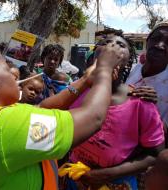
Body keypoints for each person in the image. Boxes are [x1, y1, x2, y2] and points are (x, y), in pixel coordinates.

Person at [0, 42, 124, 189]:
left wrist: (84, 81)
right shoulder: (5, 124)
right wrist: (105, 70)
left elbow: (43, 108)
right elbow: (93, 117)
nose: (16, 75)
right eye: (6, 69)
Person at [68, 35, 165, 189]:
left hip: (116, 183)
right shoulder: (76, 92)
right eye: (105, 43)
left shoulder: (140, 101)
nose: (111, 46)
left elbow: (154, 154)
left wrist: (106, 174)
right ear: (94, 57)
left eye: (120, 44)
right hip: (74, 175)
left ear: (127, 63)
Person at [126, 21, 168, 134]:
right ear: (148, 41)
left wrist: (152, 109)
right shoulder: (132, 68)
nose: (160, 45)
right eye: (156, 38)